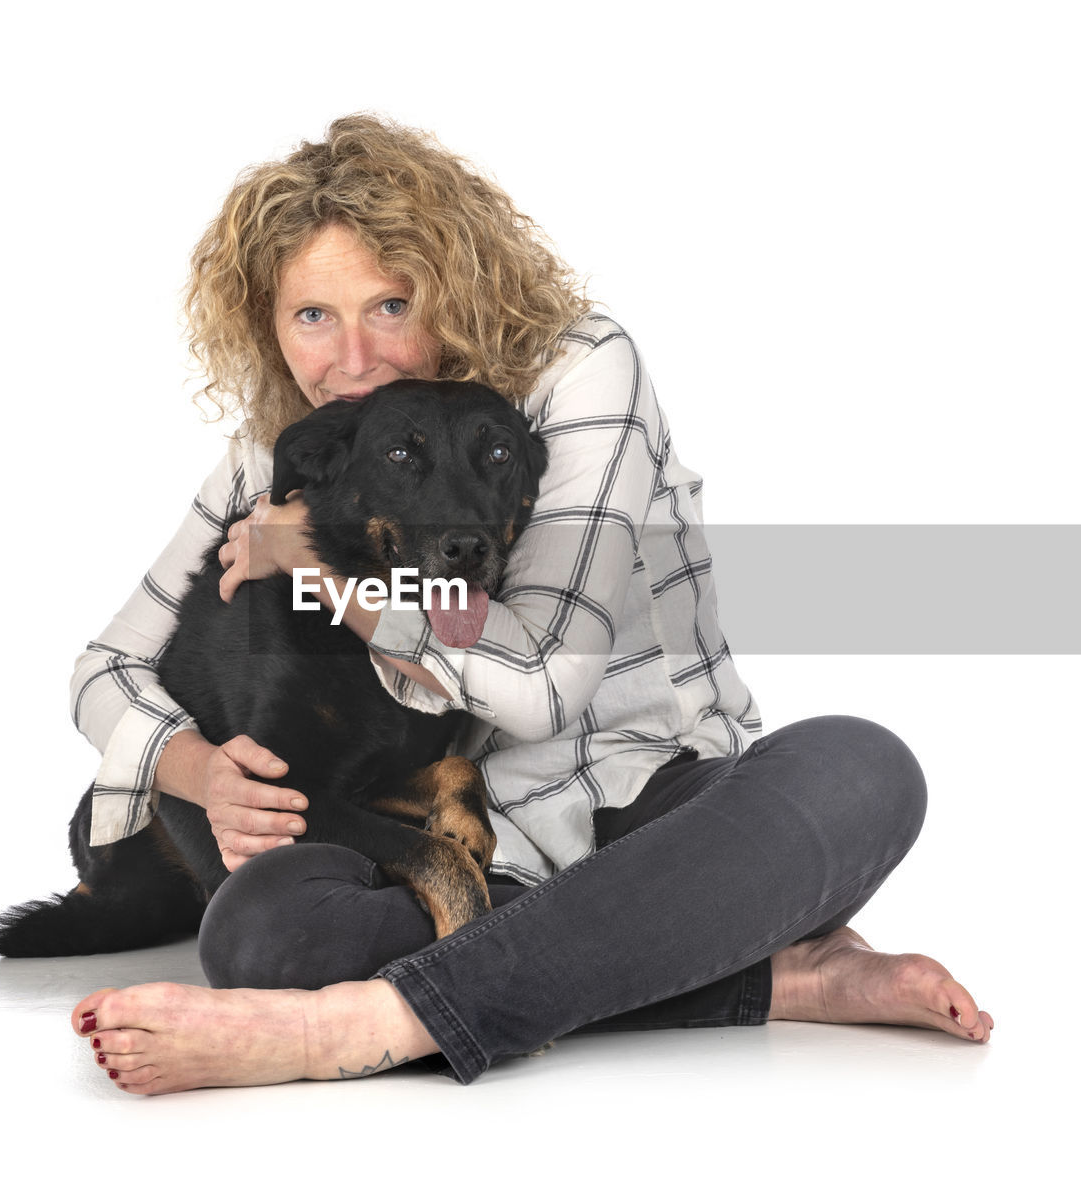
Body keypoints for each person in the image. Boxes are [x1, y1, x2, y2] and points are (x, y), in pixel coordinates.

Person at [67, 115, 992, 1093]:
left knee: (860, 773)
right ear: (268, 326)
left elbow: (544, 682)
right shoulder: (293, 442)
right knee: (261, 931)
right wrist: (203, 770)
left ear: (451, 281)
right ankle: (764, 974)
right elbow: (106, 668)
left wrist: (324, 568)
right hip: (462, 844)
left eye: (388, 302)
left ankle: (360, 1024)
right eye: (311, 317)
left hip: (650, 808)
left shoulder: (582, 371)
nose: (352, 357)